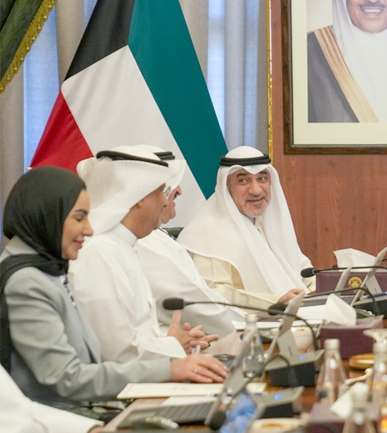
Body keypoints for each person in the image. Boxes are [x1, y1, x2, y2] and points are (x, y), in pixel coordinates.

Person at [0, 167, 226, 408]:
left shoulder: (46, 266)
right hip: (62, 418)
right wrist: (169, 368)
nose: (89, 229)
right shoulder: (27, 282)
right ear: (46, 215)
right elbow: (68, 378)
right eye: (79, 218)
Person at [70, 148, 215, 363]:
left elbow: (137, 335)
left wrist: (179, 342)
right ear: (139, 196)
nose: (165, 202)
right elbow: (117, 352)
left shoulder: (123, 246)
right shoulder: (99, 252)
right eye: (161, 192)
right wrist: (172, 345)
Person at [179, 146, 315, 308]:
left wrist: (322, 288)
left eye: (262, 179)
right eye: (243, 181)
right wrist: (274, 302)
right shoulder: (207, 231)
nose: (256, 190)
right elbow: (215, 293)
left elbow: (304, 272)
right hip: (248, 320)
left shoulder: (268, 224)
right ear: (226, 186)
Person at [134, 148, 240, 338]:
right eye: (166, 186)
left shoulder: (155, 235)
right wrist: (248, 326)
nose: (179, 190)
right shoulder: (143, 241)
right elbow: (192, 303)